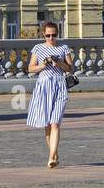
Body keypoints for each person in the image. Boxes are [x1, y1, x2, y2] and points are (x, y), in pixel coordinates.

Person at [26, 21, 73, 168]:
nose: (51, 38)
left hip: (59, 86)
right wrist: (43, 64)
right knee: (47, 125)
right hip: (44, 87)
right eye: (48, 35)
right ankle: (55, 154)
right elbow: (30, 68)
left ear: (57, 34)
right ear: (44, 35)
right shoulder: (38, 48)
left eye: (53, 35)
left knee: (55, 123)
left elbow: (70, 68)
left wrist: (59, 63)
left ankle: (51, 157)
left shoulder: (64, 48)